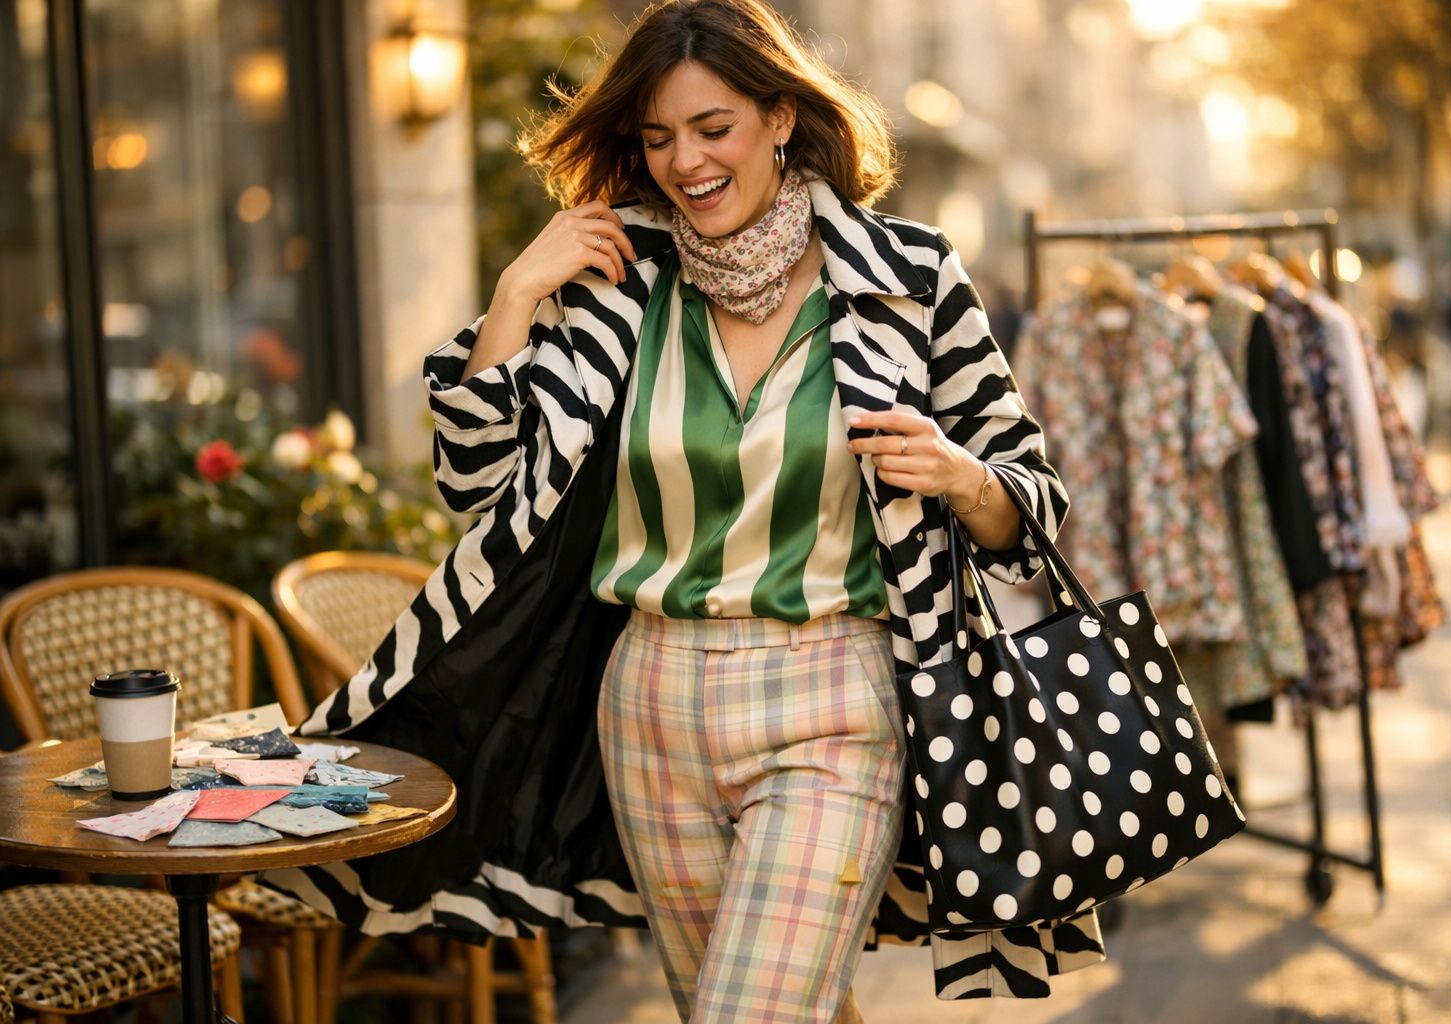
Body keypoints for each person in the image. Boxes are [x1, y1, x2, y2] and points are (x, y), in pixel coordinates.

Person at [268, 1, 1103, 1019]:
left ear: (782, 117)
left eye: (714, 129)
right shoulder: (621, 284)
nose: (685, 163)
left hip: (836, 700)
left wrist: (961, 474)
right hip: (650, 702)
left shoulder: (908, 277)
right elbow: (477, 486)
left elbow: (1033, 503)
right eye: (658, 137)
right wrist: (519, 292)